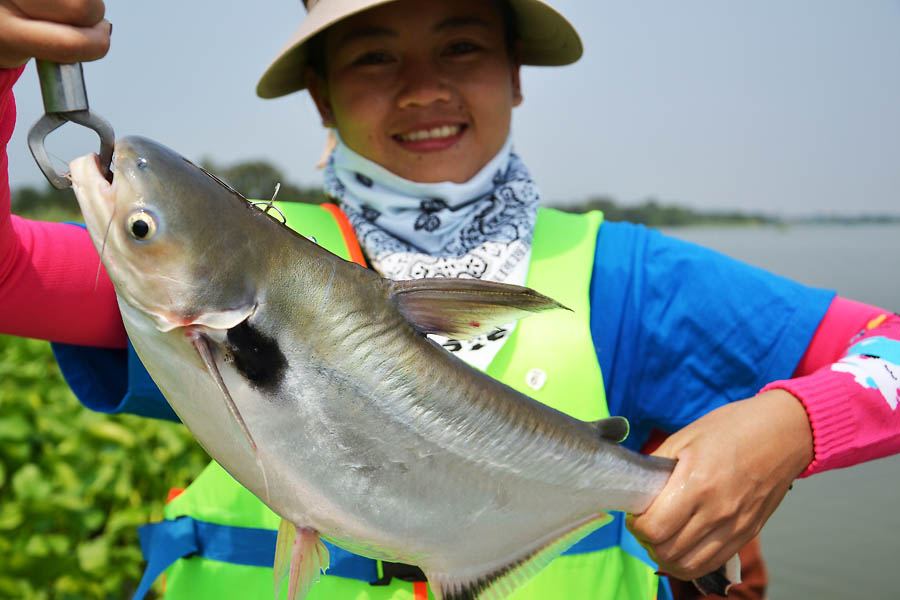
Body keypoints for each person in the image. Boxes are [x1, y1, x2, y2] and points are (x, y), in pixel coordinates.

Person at [2, 0, 900, 599]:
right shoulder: (211, 263)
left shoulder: (629, 282)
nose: (423, 87)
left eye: (462, 45)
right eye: (374, 53)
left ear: (516, 72)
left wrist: (791, 427)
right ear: (319, 95)